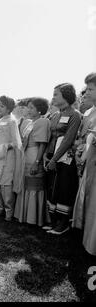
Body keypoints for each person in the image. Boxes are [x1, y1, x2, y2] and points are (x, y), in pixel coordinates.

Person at [44, 83, 81, 235]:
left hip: (66, 160)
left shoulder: (75, 115)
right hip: (52, 157)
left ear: (66, 96)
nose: (53, 97)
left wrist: (54, 159)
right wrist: (47, 155)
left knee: (64, 189)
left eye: (56, 94)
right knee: (53, 189)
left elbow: (68, 140)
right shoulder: (56, 115)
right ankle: (54, 222)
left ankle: (63, 224)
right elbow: (50, 137)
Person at [14, 97, 51, 226]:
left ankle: (34, 217)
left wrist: (37, 161)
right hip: (26, 155)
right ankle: (25, 215)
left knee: (34, 186)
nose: (28, 110)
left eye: (31, 108)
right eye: (28, 107)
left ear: (40, 110)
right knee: (26, 185)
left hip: (35, 155)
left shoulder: (43, 121)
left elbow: (42, 144)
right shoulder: (30, 122)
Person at [72, 72, 96, 256]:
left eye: (90, 89)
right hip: (89, 163)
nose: (86, 92)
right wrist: (80, 148)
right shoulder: (89, 112)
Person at [0, 96, 23, 221]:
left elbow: (16, 142)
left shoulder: (12, 121)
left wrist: (3, 147)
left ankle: (9, 211)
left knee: (6, 183)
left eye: (2, 106)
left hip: (8, 155)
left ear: (9, 108)